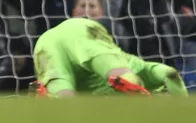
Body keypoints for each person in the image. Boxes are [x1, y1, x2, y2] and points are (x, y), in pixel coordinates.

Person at [31, 17, 188, 97]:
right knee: (112, 66)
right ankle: (126, 80)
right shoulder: (136, 66)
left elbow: (169, 73)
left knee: (61, 89)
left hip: (45, 43)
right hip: (82, 31)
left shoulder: (136, 64)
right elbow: (169, 74)